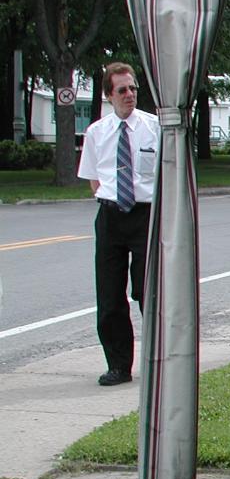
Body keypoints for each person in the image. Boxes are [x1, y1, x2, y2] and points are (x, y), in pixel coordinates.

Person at [77, 63, 158, 386]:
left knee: (146, 291)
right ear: (108, 95)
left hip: (145, 215)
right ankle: (118, 365)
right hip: (111, 216)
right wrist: (113, 201)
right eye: (122, 90)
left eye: (133, 88)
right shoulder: (97, 133)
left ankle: (157, 360)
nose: (130, 94)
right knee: (110, 295)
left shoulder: (154, 128)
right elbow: (94, 181)